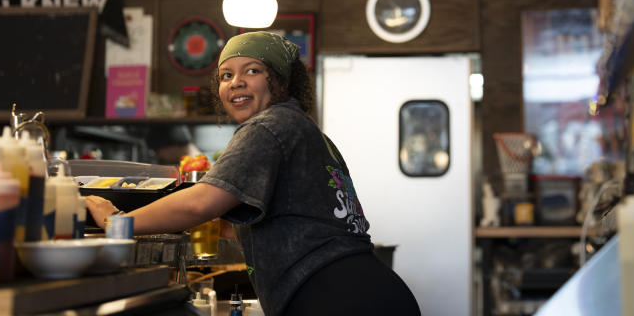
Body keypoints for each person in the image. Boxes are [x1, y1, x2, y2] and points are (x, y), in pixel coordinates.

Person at [87, 32, 421, 316]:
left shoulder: (269, 126)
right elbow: (281, 222)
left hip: (335, 297)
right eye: (226, 75)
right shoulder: (306, 131)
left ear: (279, 81)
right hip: (367, 291)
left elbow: (199, 203)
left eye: (252, 70)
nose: (236, 83)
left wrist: (116, 221)